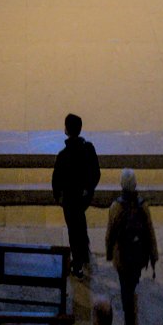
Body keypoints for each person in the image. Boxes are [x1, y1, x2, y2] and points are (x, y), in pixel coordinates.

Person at [105, 168, 158, 325]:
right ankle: (131, 320)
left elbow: (110, 233)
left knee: (125, 288)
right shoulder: (143, 206)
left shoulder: (116, 207)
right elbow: (150, 231)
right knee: (132, 283)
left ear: (121, 185)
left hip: (122, 257)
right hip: (138, 256)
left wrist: (108, 252)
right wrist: (153, 255)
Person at [52, 112, 100, 278]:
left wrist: (58, 197)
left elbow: (56, 180)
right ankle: (84, 253)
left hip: (70, 200)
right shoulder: (88, 149)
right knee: (80, 221)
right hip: (83, 197)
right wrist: (90, 189)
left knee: (73, 229)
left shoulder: (63, 156)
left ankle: (78, 263)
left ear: (66, 130)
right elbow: (96, 172)